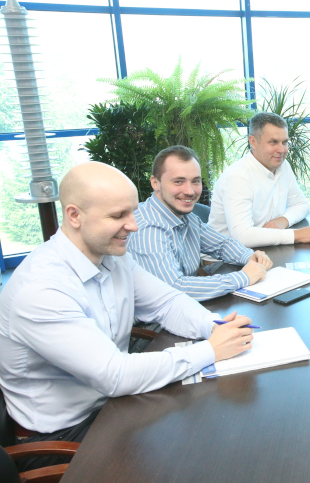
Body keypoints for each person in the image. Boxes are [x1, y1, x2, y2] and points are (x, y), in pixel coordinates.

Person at [0, 162, 255, 468]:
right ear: (74, 215)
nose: (133, 225)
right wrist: (211, 349)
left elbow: (168, 302)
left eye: (132, 211)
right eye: (118, 215)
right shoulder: (41, 290)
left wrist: (215, 327)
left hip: (109, 404)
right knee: (197, 456)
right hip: (63, 435)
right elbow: (115, 375)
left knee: (214, 429)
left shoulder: (110, 255)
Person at [128, 146, 273, 301]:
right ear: (155, 183)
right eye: (178, 181)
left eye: (195, 181)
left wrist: (249, 257)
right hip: (154, 322)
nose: (190, 191)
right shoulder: (147, 229)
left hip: (188, 310)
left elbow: (221, 244)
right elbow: (174, 288)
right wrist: (243, 277)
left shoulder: (184, 216)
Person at [208, 112, 310, 247]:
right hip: (222, 261)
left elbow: (302, 205)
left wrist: (283, 221)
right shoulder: (237, 177)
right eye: (273, 142)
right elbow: (242, 236)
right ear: (253, 142)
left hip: (262, 249)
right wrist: (297, 235)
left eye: (284, 142)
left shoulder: (282, 165)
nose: (281, 149)